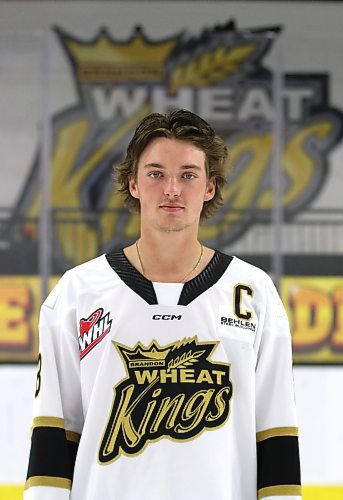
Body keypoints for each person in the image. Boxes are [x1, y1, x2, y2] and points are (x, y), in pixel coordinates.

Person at [25, 109, 301, 500]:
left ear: (209, 187)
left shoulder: (253, 294)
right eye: (156, 173)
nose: (172, 188)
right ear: (133, 183)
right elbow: (54, 437)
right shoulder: (78, 292)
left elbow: (276, 436)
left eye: (188, 174)